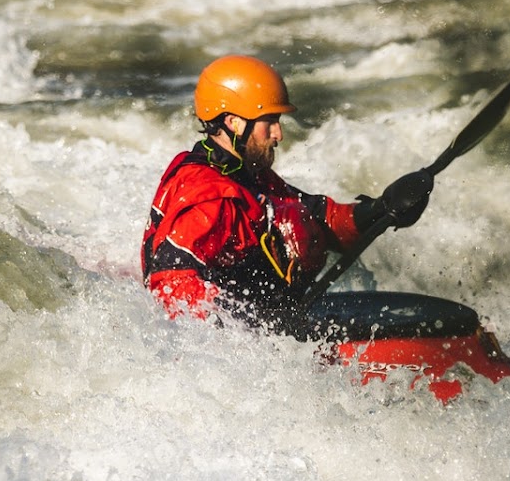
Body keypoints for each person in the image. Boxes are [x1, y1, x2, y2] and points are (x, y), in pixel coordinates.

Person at [141, 55, 432, 327]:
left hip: (275, 321)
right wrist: (253, 325)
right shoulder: (211, 197)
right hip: (244, 340)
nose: (278, 134)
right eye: (269, 122)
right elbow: (169, 284)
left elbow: (322, 218)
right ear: (233, 122)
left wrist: (380, 210)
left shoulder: (247, 175)